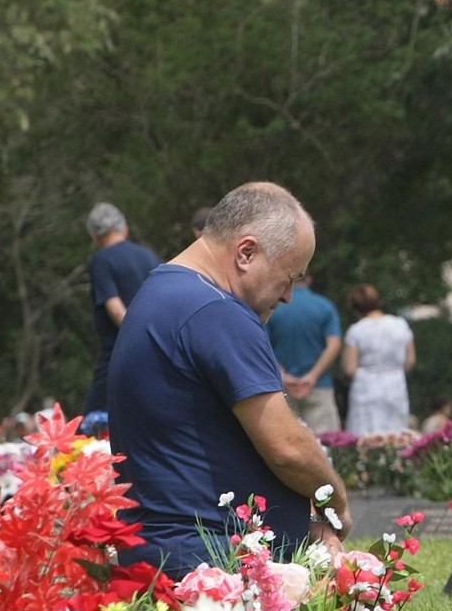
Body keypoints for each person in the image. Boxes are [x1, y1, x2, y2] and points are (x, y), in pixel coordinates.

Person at [108, 181, 352, 579]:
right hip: (210, 563)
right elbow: (286, 447)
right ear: (246, 252)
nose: (289, 295)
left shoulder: (164, 289)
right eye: (289, 276)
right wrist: (336, 503)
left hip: (173, 555)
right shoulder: (215, 310)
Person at [84, 202, 161, 415]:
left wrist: (139, 335)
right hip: (158, 353)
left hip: (119, 353)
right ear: (124, 227)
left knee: (92, 423)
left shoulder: (102, 260)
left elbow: (115, 308)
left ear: (94, 236)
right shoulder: (149, 256)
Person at [267, 274, 342, 434]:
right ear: (309, 279)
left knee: (287, 443)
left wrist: (283, 375)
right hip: (319, 385)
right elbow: (334, 345)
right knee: (326, 443)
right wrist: (312, 376)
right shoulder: (324, 306)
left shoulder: (273, 307)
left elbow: (262, 344)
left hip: (283, 388)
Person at [342, 284, 415, 435]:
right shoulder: (400, 325)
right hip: (395, 383)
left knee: (366, 434)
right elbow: (410, 360)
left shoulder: (356, 330)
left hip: (366, 386)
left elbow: (350, 368)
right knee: (396, 432)